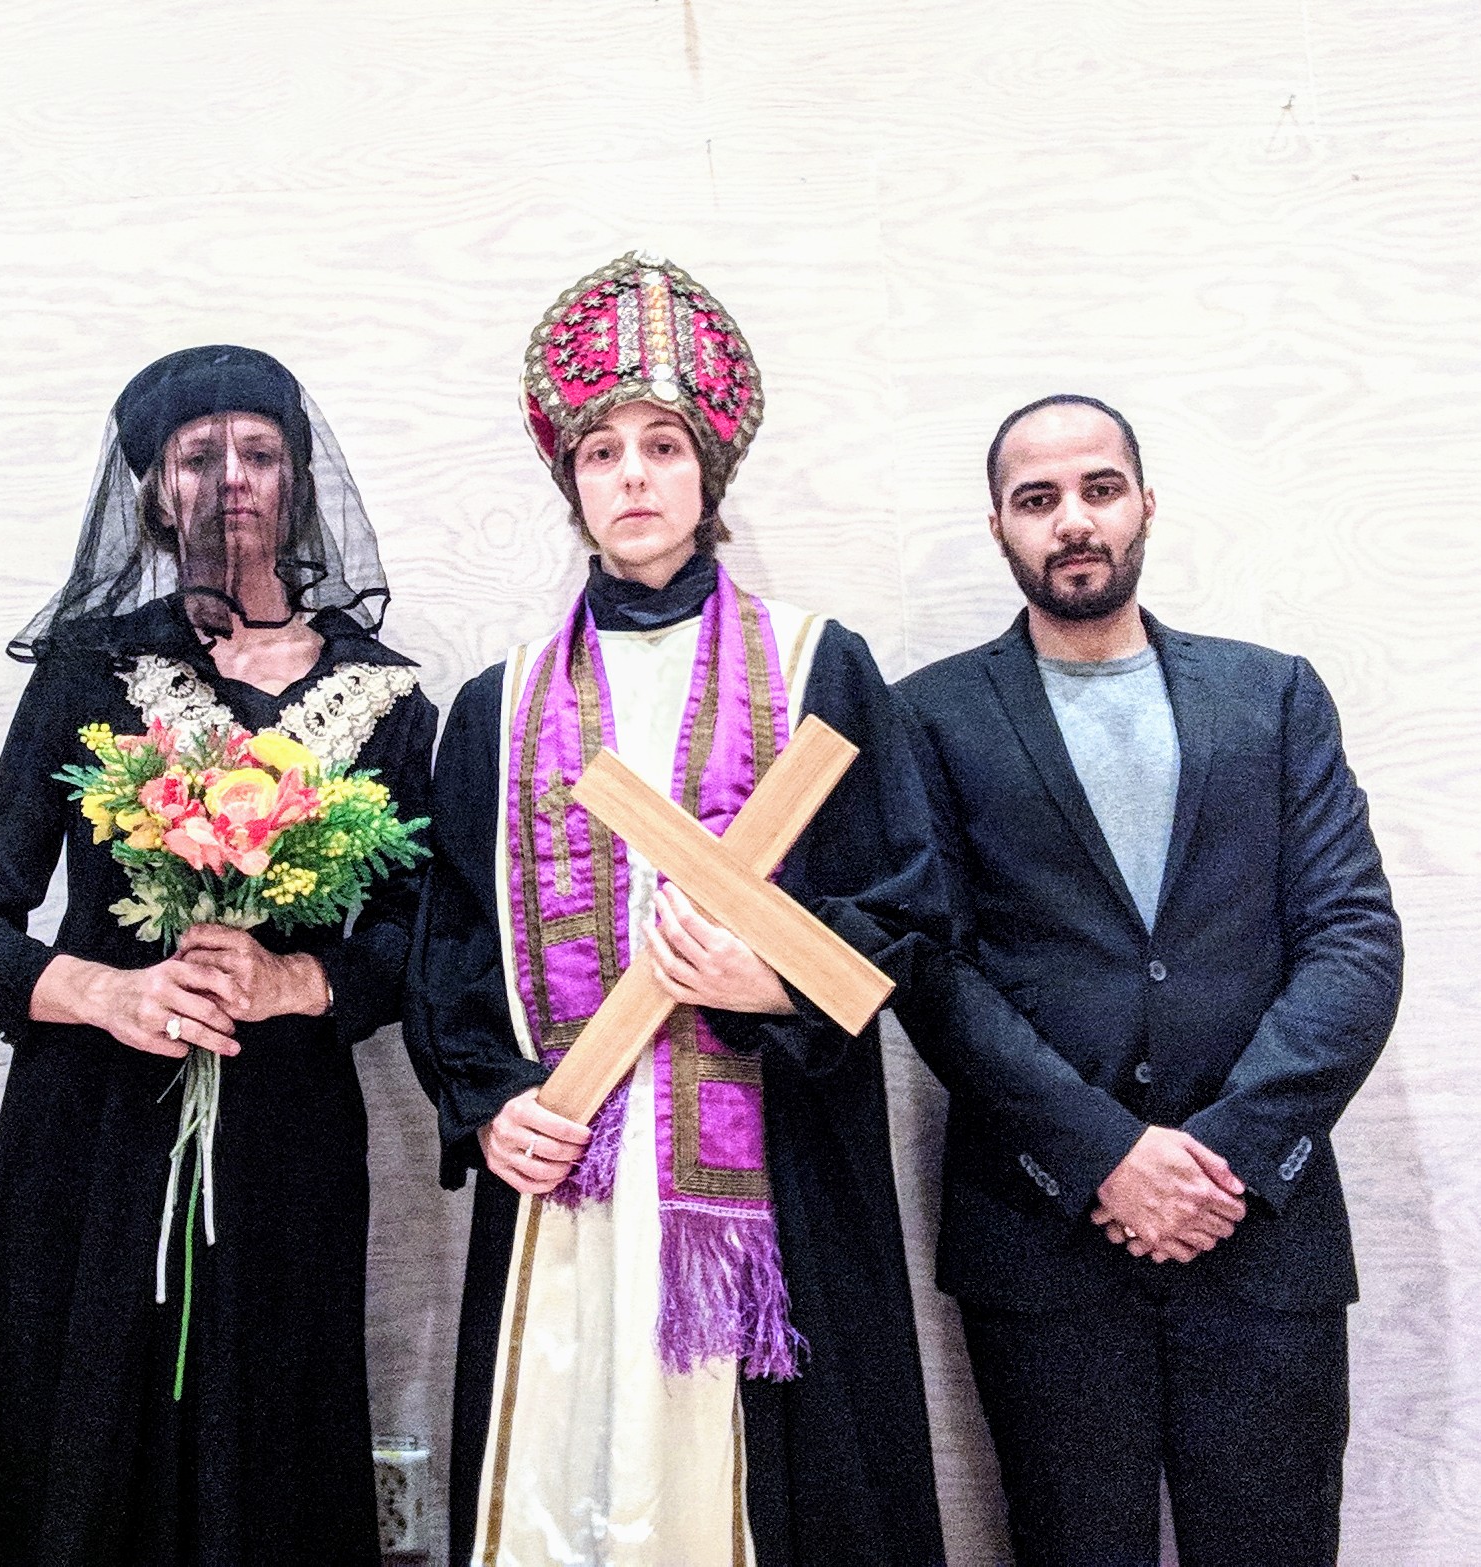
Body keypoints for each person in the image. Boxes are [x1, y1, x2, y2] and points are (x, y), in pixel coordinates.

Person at [406, 252, 946, 1567]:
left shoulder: (816, 664)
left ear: (708, 472)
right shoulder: (499, 704)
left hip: (770, 1153)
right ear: (572, 484)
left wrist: (772, 982)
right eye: (601, 452)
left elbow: (908, 901)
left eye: (661, 446)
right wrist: (491, 1106)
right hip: (570, 1158)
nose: (632, 476)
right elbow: (451, 945)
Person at [0, 345, 437, 1566]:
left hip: (284, 1127)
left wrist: (291, 981)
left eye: (259, 452)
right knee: (81, 1431)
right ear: (155, 492)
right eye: (198, 456)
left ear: (298, 481)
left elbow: (422, 939)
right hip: (90, 1125)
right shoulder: (88, 671)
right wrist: (111, 992)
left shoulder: (387, 699)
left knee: (268, 1437)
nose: (232, 479)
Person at [894, 394, 1403, 1566]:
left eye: (1099, 488)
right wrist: (1104, 1156)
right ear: (999, 527)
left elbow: (1354, 938)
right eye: (1037, 499)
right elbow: (931, 968)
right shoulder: (929, 717)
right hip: (1044, 1236)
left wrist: (1225, 1156)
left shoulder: (1273, 696)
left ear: (1144, 504)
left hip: (1259, 1228)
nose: (1072, 520)